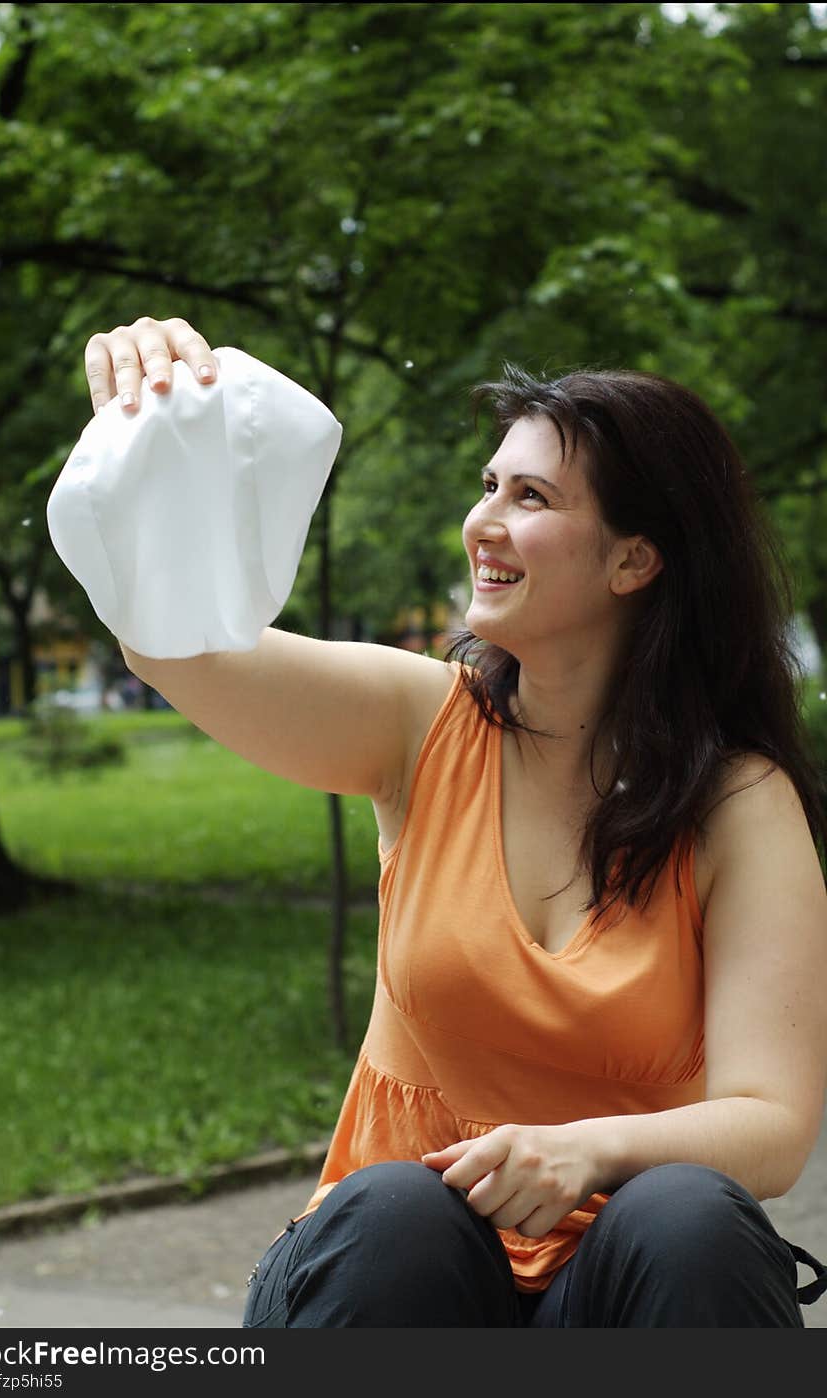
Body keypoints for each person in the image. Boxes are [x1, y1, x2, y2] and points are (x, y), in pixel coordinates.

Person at [82, 316, 827, 1327]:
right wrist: (151, 421)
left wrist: (587, 1148)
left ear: (634, 560)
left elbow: (773, 1128)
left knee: (690, 1216)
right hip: (391, 1278)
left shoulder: (738, 806)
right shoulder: (418, 723)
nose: (485, 522)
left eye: (530, 498)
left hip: (614, 1287)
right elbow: (170, 647)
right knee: (399, 1210)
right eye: (488, 488)